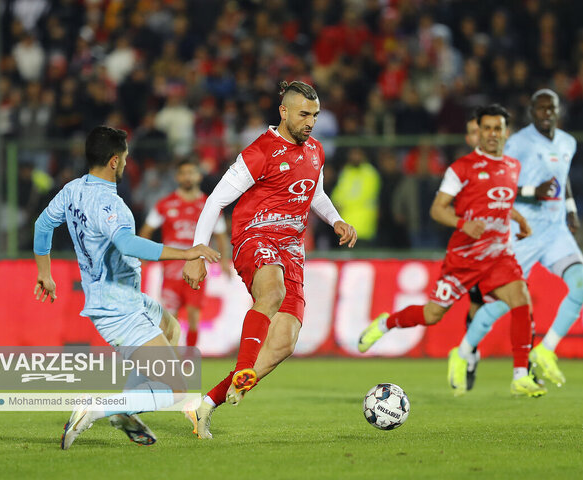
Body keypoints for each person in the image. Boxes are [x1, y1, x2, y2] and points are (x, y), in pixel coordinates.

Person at [182, 81, 357, 438]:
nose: (310, 122)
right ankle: (245, 367)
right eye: (304, 115)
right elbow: (215, 200)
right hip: (254, 236)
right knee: (272, 293)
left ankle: (205, 405)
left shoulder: (316, 152)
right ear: (284, 112)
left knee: (285, 341)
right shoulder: (260, 151)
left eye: (315, 116)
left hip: (292, 248)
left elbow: (316, 193)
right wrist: (197, 251)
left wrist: (336, 219)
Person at [32, 126, 221, 449]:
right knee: (175, 391)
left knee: (171, 327)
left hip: (119, 297)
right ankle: (99, 408)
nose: (127, 162)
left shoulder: (72, 190)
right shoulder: (112, 205)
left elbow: (42, 224)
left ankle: (124, 411)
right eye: (126, 157)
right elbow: (128, 244)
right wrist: (187, 251)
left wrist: (44, 273)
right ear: (114, 161)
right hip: (119, 307)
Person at [358, 104, 553, 398]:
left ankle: (520, 376)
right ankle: (386, 323)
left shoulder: (512, 166)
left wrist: (520, 219)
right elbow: (437, 210)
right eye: (486, 128)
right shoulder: (461, 168)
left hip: (499, 255)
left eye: (497, 128)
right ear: (479, 132)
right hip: (464, 258)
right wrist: (463, 223)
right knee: (433, 313)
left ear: (506, 133)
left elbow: (501, 201)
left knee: (521, 299)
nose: (491, 134)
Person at [447, 89, 583, 394]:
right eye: (540, 108)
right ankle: (461, 354)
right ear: (532, 112)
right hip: (522, 232)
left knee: (581, 285)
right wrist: (530, 193)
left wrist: (570, 208)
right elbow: (497, 178)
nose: (546, 113)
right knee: (500, 305)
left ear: (558, 110)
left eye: (551, 108)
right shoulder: (518, 143)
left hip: (555, 231)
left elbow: (562, 177)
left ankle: (546, 350)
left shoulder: (568, 142)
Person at [139, 159, 231, 348]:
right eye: (183, 173)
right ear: (177, 177)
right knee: (168, 321)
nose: (187, 177)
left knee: (194, 317)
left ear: (199, 176)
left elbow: (221, 235)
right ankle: (169, 363)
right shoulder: (165, 204)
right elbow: (146, 231)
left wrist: (224, 261)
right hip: (171, 271)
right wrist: (143, 257)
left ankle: (189, 358)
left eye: (191, 172)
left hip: (196, 269)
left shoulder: (209, 205)